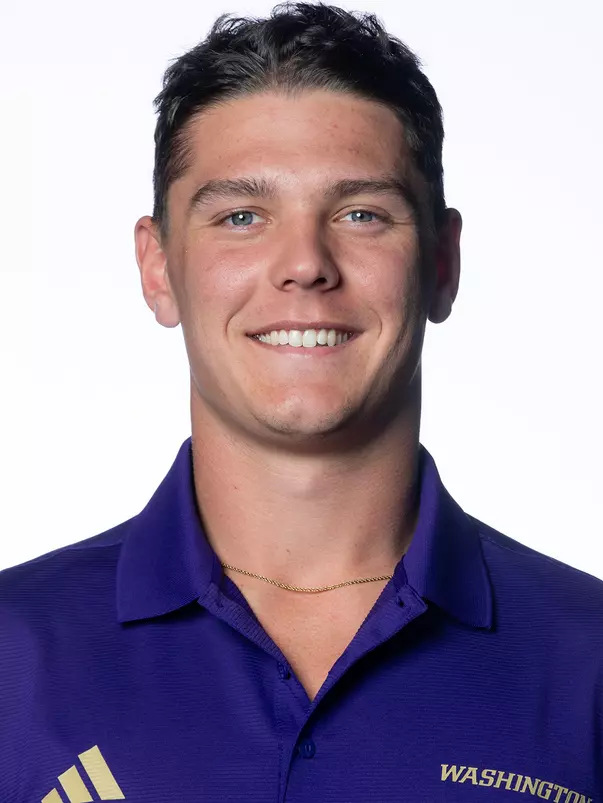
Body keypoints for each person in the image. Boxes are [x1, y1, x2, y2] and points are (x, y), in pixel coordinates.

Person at [1, 2, 601, 800]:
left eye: (361, 214)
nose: (305, 265)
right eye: (241, 216)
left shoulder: (587, 660)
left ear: (441, 263)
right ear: (157, 266)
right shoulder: (12, 656)